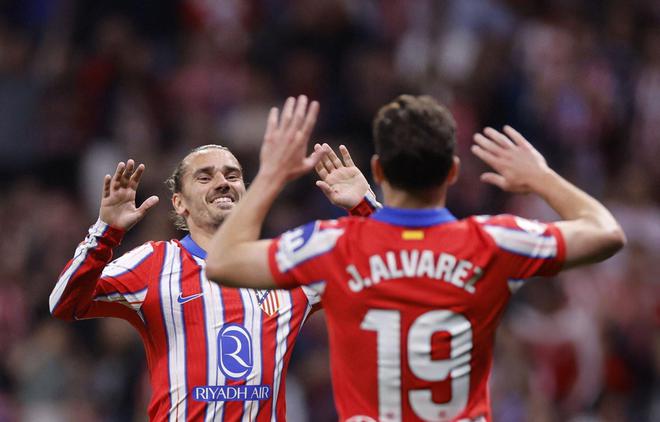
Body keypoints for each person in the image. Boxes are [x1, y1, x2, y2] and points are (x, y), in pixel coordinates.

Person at [204, 94, 626, 421]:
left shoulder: (331, 244)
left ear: (378, 170)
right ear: (453, 172)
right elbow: (606, 233)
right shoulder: (495, 243)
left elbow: (222, 262)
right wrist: (541, 177)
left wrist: (272, 174)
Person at [49, 95, 375, 421]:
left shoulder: (285, 264)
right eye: (204, 177)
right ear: (179, 203)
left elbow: (389, 272)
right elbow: (63, 302)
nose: (222, 183)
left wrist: (365, 206)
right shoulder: (154, 262)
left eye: (232, 176)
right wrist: (106, 231)